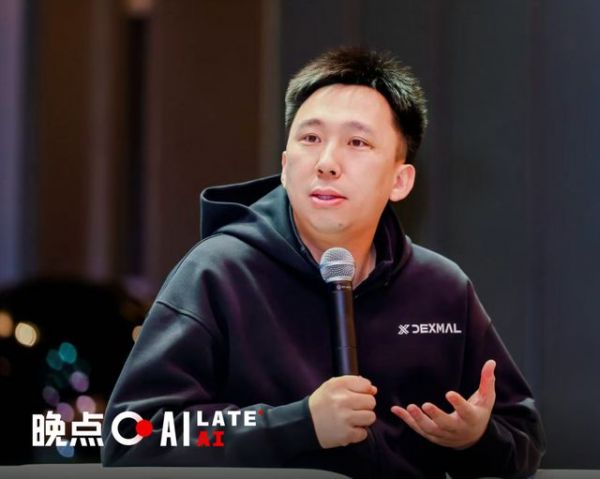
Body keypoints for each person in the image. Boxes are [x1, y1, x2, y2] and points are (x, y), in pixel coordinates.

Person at [101, 48, 545, 478]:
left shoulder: (441, 288)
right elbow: (134, 435)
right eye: (310, 139)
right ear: (284, 165)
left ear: (400, 180)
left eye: (357, 142)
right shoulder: (218, 273)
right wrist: (296, 424)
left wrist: (476, 438)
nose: (327, 163)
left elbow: (523, 437)